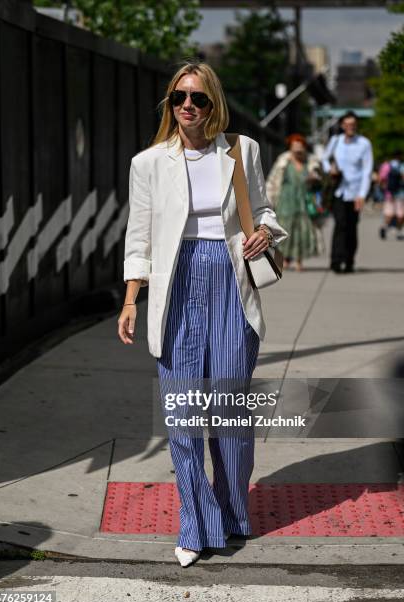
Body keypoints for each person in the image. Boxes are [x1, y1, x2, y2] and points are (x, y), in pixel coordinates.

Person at [117, 62, 288, 567]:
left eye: (199, 98)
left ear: (214, 104)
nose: (187, 106)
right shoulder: (147, 163)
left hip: (232, 281)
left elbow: (265, 210)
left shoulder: (242, 151)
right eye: (178, 98)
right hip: (177, 284)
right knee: (184, 412)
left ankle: (233, 514)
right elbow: (139, 236)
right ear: (169, 104)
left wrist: (265, 232)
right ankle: (195, 523)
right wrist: (131, 298)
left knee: (230, 414)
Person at [322, 111, 374, 273]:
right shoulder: (336, 141)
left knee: (351, 227)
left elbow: (367, 171)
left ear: (356, 125)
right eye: (347, 124)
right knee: (340, 224)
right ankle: (336, 261)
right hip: (339, 190)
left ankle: (349, 260)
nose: (350, 127)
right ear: (342, 125)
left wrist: (362, 194)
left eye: (353, 124)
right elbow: (324, 158)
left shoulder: (364, 144)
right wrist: (329, 169)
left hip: (355, 193)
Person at [266, 133, 323, 272]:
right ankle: (284, 258)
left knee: (301, 229)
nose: (298, 148)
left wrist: (314, 178)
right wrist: (269, 199)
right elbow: (272, 181)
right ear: (290, 147)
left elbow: (320, 179)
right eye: (295, 145)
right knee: (285, 228)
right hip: (285, 200)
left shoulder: (311, 162)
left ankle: (299, 260)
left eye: (301, 145)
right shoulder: (283, 161)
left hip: (303, 200)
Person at [378, 153, 404, 240]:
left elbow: (381, 179)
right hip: (401, 193)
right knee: (401, 214)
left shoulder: (386, 166)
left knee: (389, 213)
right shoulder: (402, 165)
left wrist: (384, 190)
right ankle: (399, 232)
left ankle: (384, 227)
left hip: (389, 193)